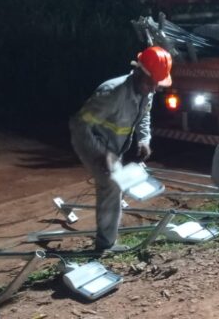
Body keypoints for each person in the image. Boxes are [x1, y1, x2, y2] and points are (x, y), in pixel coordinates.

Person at [69, 46, 173, 252]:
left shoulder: (146, 91)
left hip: (115, 148)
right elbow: (79, 126)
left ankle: (107, 232)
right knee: (111, 186)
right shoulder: (111, 92)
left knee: (118, 183)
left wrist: (144, 140)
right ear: (138, 72)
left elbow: (144, 116)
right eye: (152, 84)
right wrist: (102, 154)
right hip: (91, 144)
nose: (154, 89)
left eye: (157, 85)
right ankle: (105, 246)